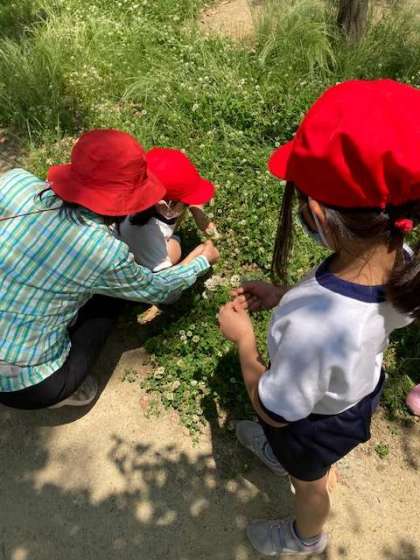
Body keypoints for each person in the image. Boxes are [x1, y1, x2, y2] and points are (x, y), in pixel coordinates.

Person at [218, 79, 420, 556]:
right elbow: (349, 307)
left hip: (313, 423)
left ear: (317, 213)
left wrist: (244, 341)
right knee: (298, 451)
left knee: (309, 484)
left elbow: (274, 408)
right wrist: (284, 295)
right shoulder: (401, 260)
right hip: (357, 392)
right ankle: (281, 453)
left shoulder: (314, 330)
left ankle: (304, 537)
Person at [0, 129, 219, 410]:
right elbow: (159, 289)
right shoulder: (103, 250)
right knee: (110, 300)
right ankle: (64, 390)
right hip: (27, 384)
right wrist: (201, 260)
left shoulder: (13, 181)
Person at [117, 147, 219, 321]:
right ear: (165, 205)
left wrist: (195, 209)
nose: (188, 204)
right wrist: (201, 256)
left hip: (131, 242)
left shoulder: (136, 199)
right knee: (175, 251)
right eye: (185, 202)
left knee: (173, 245)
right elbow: (167, 290)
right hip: (143, 267)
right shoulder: (150, 234)